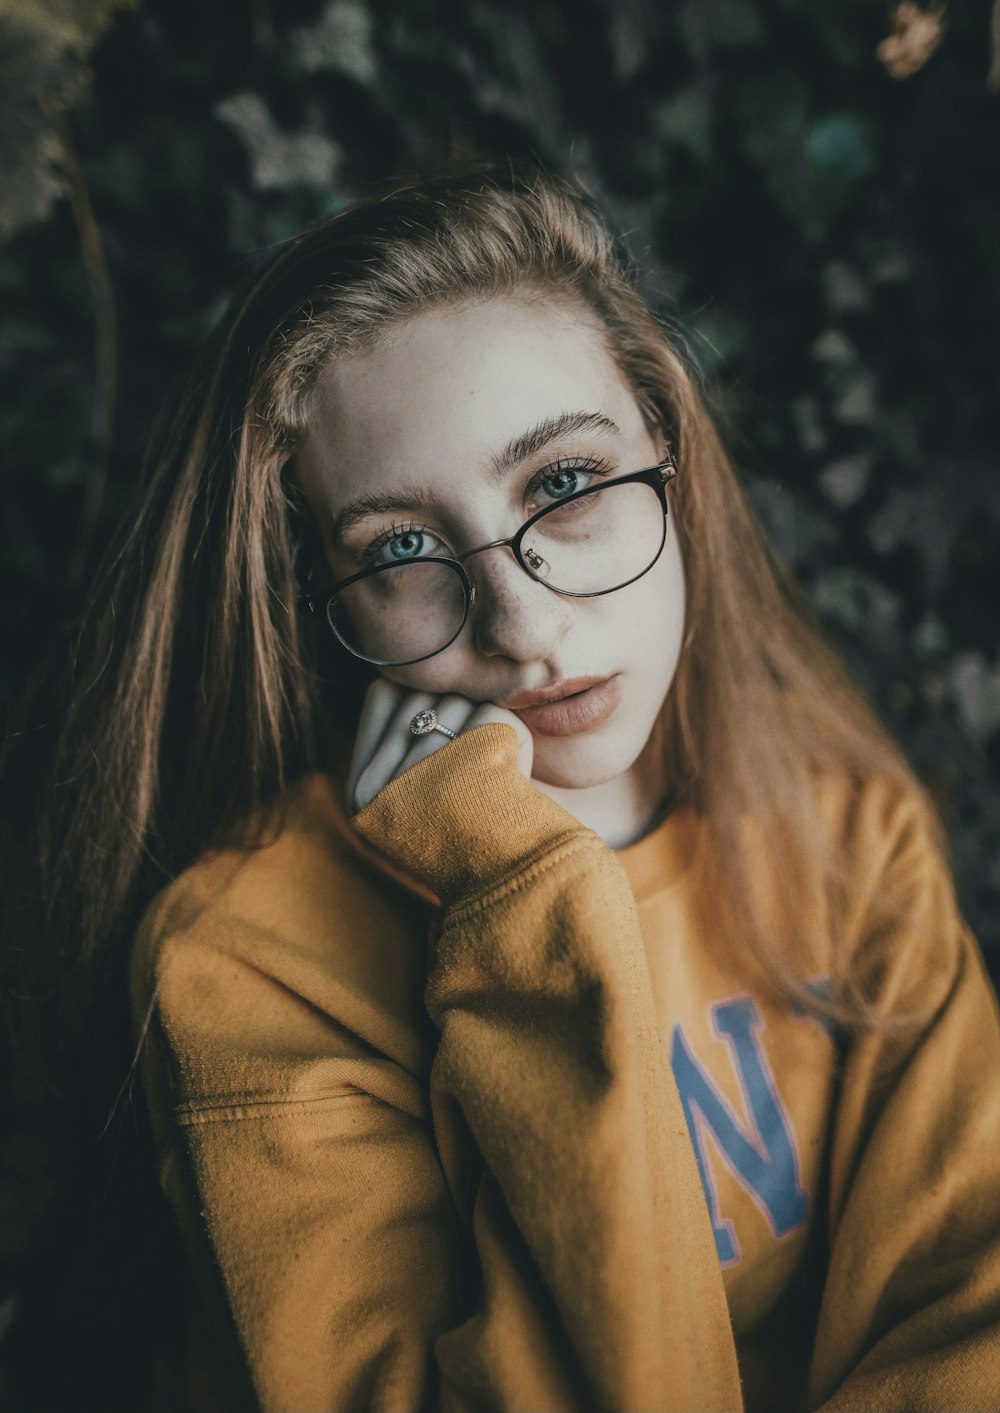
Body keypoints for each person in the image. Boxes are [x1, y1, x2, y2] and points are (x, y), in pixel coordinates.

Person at [8, 162, 1000, 1412]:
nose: (522, 622)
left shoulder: (844, 828)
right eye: (405, 548)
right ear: (319, 592)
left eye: (565, 485)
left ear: (672, 460)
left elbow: (970, 1314)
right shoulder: (246, 959)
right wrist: (515, 899)